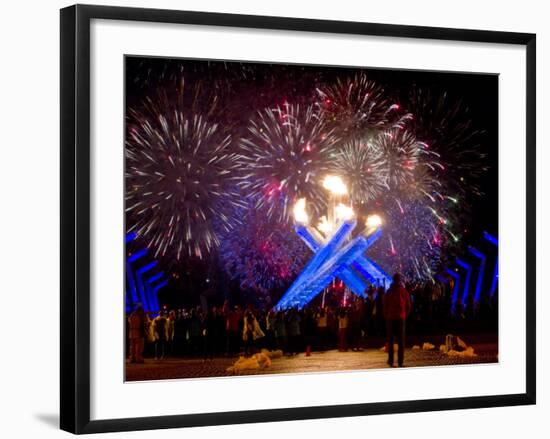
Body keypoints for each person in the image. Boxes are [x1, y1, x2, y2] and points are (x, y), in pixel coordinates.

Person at [383, 273, 411, 367]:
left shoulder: (388, 292)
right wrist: (404, 315)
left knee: (390, 341)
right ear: (400, 280)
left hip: (390, 318)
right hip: (400, 318)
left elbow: (385, 305)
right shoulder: (404, 291)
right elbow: (408, 305)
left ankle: (391, 361)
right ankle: (400, 362)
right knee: (401, 341)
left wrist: (387, 315)